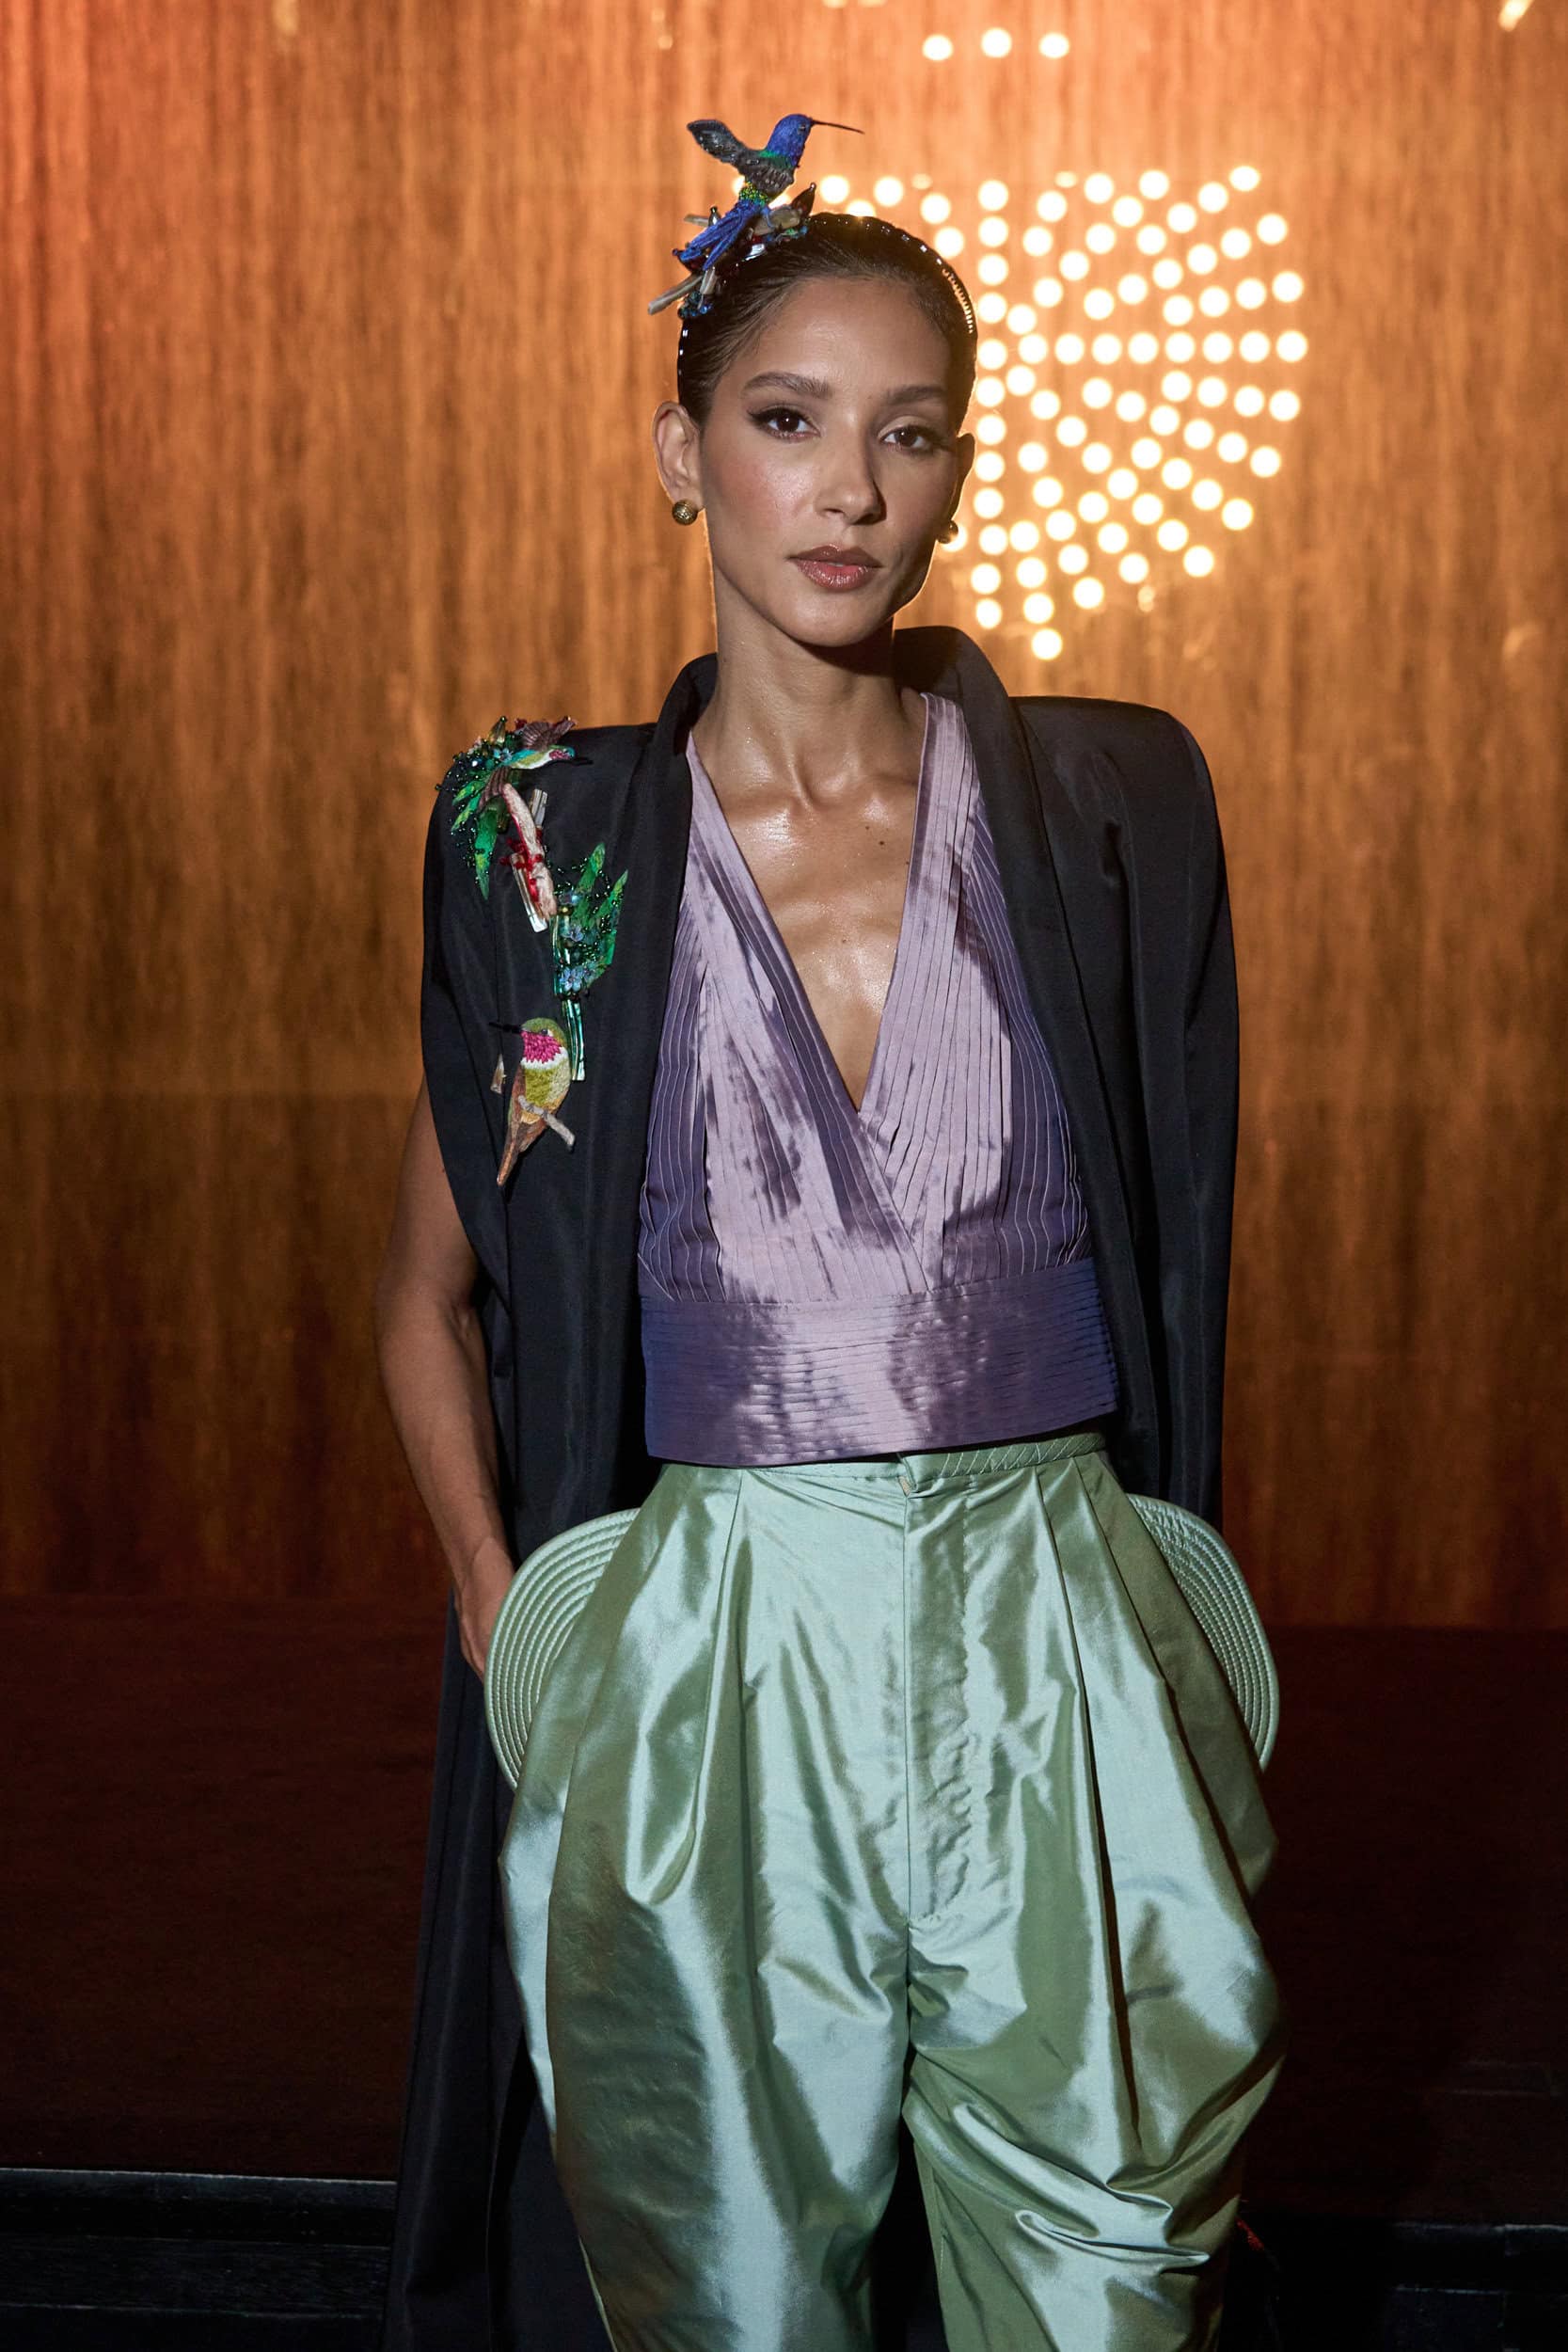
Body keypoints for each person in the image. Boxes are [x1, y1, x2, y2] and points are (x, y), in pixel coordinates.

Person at [374, 113, 1286, 2352]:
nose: (849, 490)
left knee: (1111, 2289)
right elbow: (425, 1292)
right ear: (681, 457)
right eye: (787, 421)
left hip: (1055, 1634)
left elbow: (1181, 1244)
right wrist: (510, 1605)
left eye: (909, 432)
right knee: (734, 2302)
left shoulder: (1111, 806)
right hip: (719, 1654)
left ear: (960, 472)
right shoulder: (547, 845)